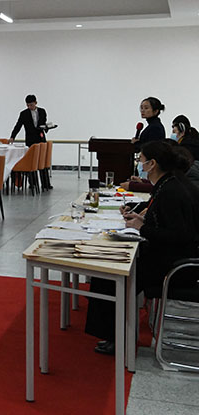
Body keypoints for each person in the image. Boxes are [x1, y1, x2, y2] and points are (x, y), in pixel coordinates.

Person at [85, 141, 199, 354]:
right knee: (109, 265)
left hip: (174, 267)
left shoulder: (172, 190)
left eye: (141, 160)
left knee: (110, 272)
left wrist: (142, 227)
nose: (140, 164)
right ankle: (113, 333)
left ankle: (116, 338)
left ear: (152, 164)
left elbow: (179, 236)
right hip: (169, 257)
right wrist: (140, 218)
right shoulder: (169, 184)